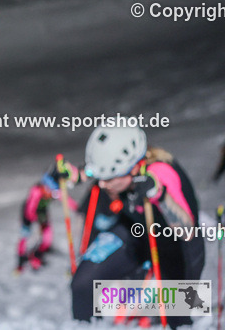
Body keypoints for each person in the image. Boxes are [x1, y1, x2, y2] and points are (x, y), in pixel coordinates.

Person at [70, 124, 204, 328]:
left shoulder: (160, 171)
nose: (102, 185)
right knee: (83, 284)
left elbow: (187, 231)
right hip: (136, 233)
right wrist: (72, 174)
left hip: (177, 248)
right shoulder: (119, 172)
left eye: (108, 179)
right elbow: (92, 171)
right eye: (100, 178)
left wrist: (159, 194)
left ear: (133, 168)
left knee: (177, 320)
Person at [16, 166, 78, 273]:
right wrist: (32, 221)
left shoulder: (54, 191)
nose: (51, 194)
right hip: (28, 213)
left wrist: (77, 208)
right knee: (26, 235)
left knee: (47, 236)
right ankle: (21, 259)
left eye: (53, 192)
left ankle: (37, 256)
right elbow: (30, 208)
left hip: (42, 212)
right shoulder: (36, 191)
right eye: (50, 191)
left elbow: (65, 199)